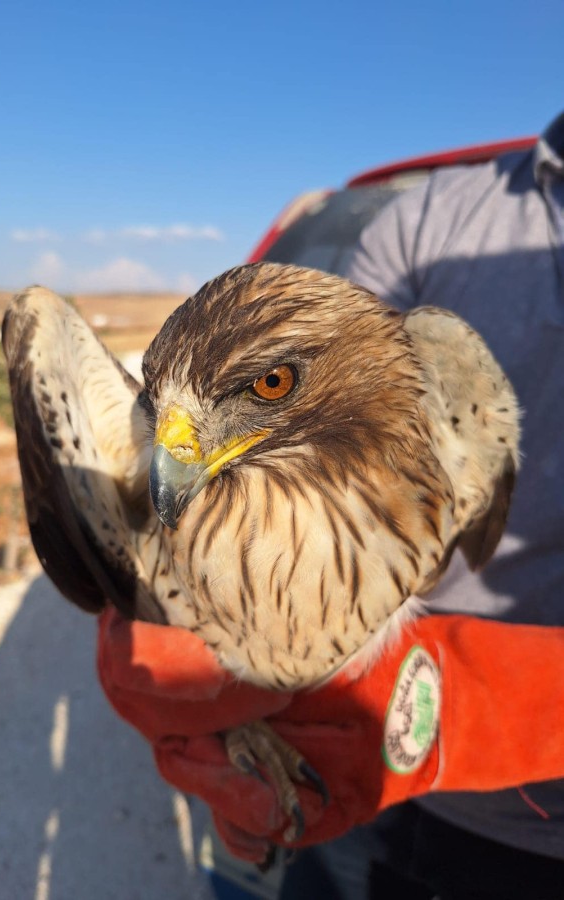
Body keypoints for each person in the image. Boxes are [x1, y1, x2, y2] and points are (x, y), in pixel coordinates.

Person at [97, 111, 564, 899]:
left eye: (267, 389)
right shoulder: (434, 214)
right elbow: (310, 371)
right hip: (336, 760)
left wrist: (497, 704)